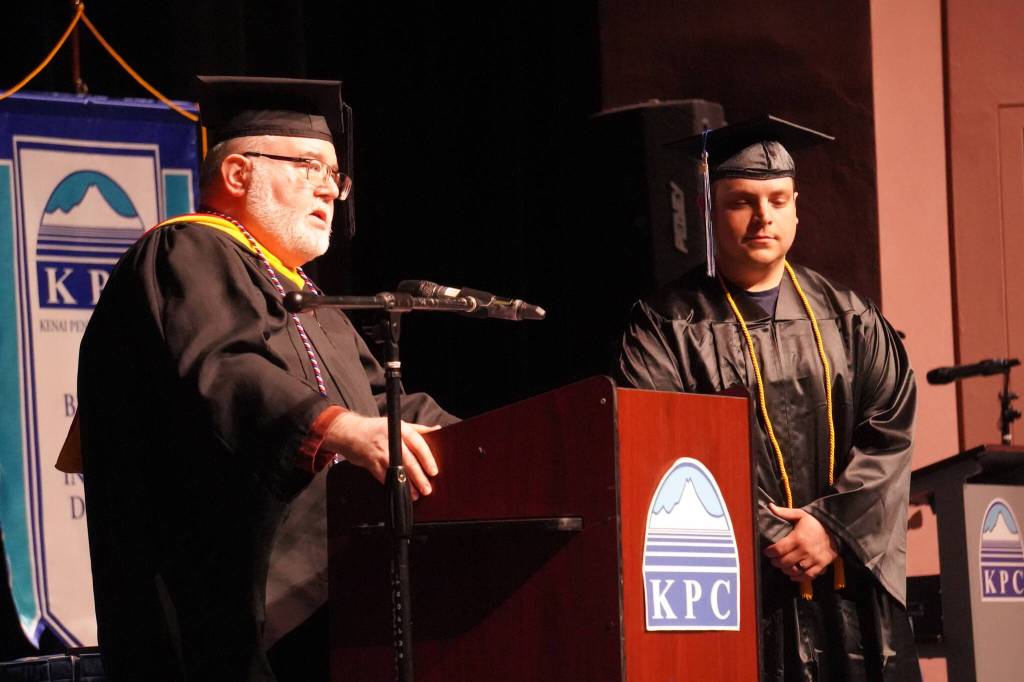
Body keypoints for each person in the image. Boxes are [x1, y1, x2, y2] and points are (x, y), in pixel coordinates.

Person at [74, 76, 455, 681]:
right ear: (237, 174)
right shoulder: (185, 251)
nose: (330, 191)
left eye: (336, 177)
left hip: (328, 613)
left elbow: (386, 402)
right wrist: (338, 428)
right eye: (310, 166)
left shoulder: (302, 295)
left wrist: (503, 444)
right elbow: (224, 372)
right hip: (225, 618)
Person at [615, 116, 921, 681]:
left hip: (848, 586)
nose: (763, 217)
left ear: (796, 207)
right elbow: (661, 444)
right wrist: (774, 534)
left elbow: (891, 426)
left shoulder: (850, 316)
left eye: (777, 199)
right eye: (742, 201)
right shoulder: (667, 326)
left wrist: (831, 527)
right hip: (735, 586)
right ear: (710, 210)